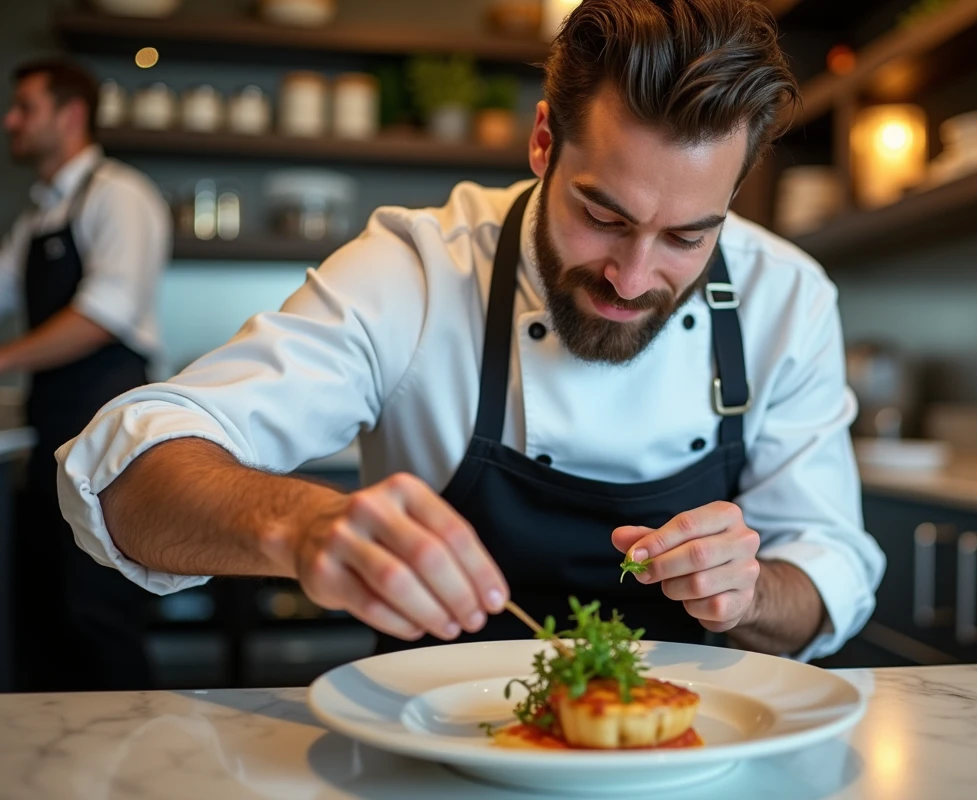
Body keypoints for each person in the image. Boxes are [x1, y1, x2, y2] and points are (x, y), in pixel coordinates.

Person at [57, 0, 884, 662]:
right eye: (603, 216)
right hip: (427, 757)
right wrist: (300, 526)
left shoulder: (787, 298)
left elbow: (830, 572)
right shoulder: (418, 269)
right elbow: (127, 471)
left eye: (687, 237)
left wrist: (751, 593)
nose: (632, 278)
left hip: (691, 752)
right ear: (543, 142)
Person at [1, 58, 170, 690]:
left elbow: (104, 315)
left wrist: (4, 359)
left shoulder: (119, 194)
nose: (10, 121)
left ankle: (138, 748)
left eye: (25, 108)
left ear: (70, 115)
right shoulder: (38, 215)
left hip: (107, 428)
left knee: (99, 610)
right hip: (53, 428)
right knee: (47, 610)